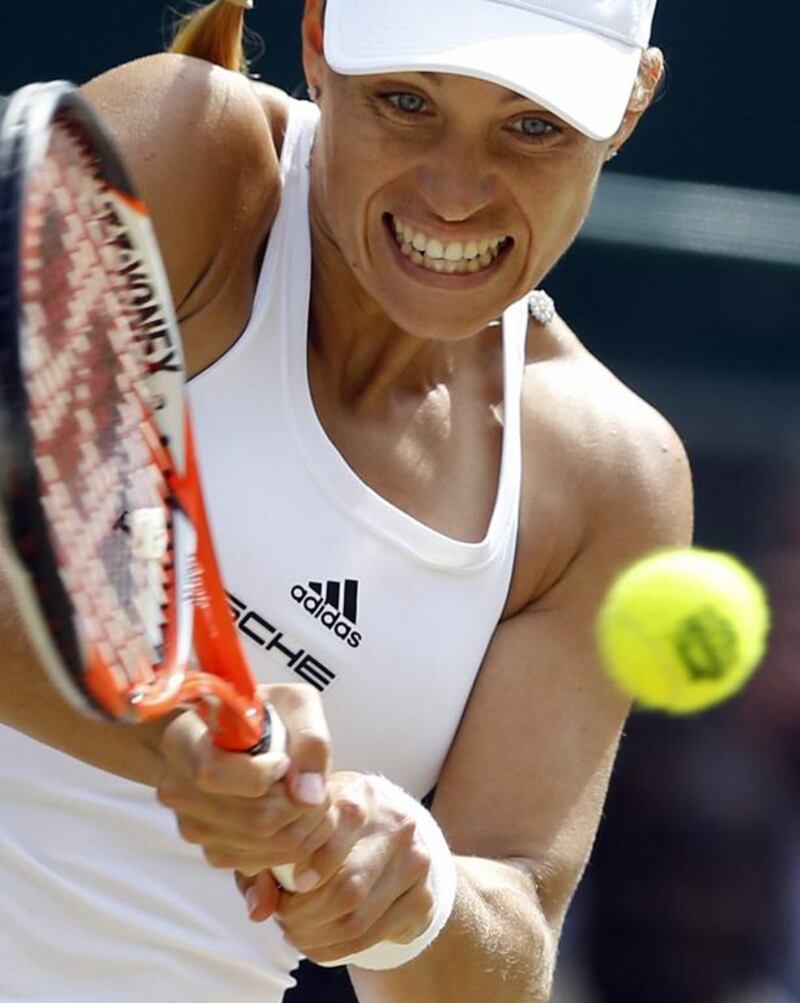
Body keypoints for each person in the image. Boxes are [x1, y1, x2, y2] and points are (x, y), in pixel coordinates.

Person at [0, 0, 693, 1000]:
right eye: (405, 102)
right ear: (319, 41)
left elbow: (507, 937)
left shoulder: (614, 478)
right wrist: (179, 728)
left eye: (531, 125)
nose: (453, 194)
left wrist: (416, 896)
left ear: (629, 105)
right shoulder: (187, 141)